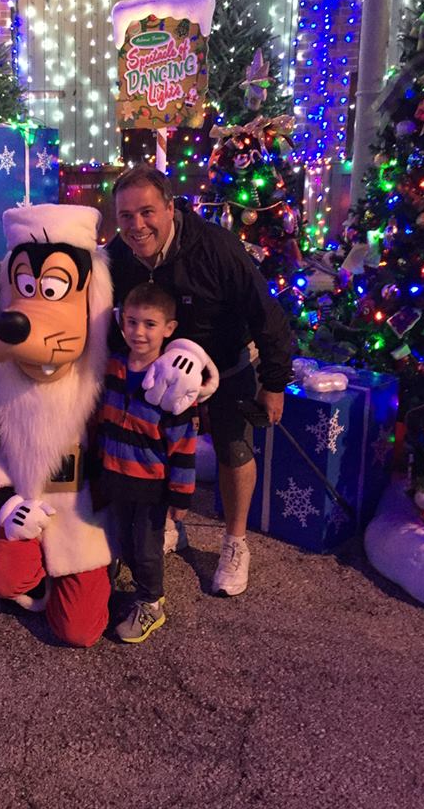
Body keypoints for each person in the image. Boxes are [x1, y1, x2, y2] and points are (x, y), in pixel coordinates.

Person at [106, 163, 293, 597]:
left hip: (225, 364)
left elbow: (267, 315)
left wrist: (275, 381)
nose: (137, 225)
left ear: (170, 207)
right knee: (156, 447)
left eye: (147, 212)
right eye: (126, 216)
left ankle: (235, 542)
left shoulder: (217, 248)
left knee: (233, 448)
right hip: (157, 373)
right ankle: (172, 523)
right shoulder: (117, 256)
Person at [99, 282, 200, 643]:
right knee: (122, 537)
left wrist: (181, 497)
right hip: (115, 476)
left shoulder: (173, 384)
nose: (138, 332)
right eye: (131, 322)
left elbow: (183, 445)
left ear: (169, 329)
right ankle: (126, 584)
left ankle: (151, 601)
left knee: (146, 546)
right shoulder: (114, 366)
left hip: (150, 485)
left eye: (149, 324)